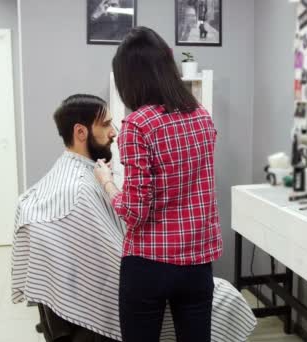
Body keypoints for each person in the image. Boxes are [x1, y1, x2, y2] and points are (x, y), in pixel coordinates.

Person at [11, 94, 256, 342]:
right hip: (142, 280)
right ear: (80, 132)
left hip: (149, 270)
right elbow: (113, 255)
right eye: (106, 124)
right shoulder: (77, 188)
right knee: (225, 297)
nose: (114, 132)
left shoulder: (83, 173)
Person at [94, 27, 223, 342]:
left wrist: (108, 183)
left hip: (149, 265)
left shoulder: (138, 124)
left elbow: (135, 212)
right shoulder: (202, 117)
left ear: (130, 78)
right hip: (196, 264)